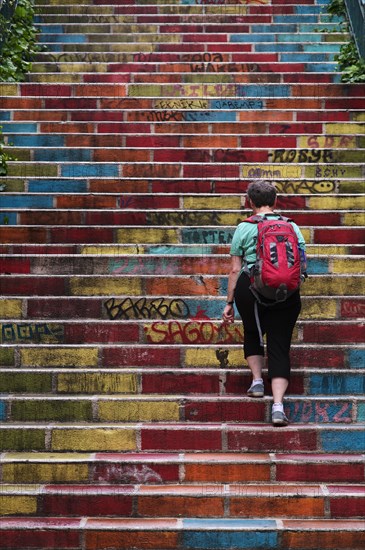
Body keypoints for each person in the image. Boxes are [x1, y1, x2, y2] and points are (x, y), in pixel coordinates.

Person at [222, 180, 307, 426]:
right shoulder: (291, 225)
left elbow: (235, 270)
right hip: (287, 293)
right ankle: (278, 406)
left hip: (250, 291)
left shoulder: (244, 227)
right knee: (280, 346)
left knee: (252, 332)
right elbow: (300, 262)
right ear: (275, 201)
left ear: (250, 201)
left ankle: (257, 381)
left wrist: (229, 302)